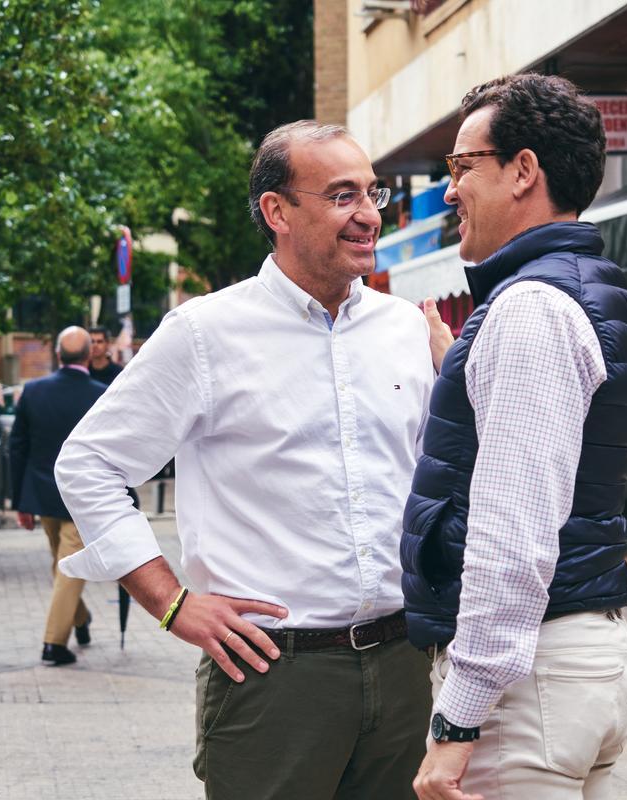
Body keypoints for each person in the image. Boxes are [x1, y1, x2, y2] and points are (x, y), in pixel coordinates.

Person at [55, 120, 442, 799]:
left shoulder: (405, 329)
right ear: (278, 211)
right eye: (343, 195)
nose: (370, 214)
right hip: (274, 677)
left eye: (372, 192)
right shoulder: (205, 333)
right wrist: (170, 603)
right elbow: (88, 464)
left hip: (403, 661)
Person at [404, 73, 627, 800]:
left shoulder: (531, 310)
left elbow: (513, 532)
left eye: (461, 167)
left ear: (523, 171)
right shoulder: (582, 288)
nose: (450, 191)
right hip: (574, 660)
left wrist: (457, 721)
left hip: (527, 679)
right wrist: (466, 368)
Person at [9, 326, 108, 665]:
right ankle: (79, 618)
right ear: (88, 356)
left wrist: (18, 501)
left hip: (43, 496)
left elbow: (17, 447)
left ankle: (54, 642)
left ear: (57, 356)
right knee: (62, 568)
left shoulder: (32, 391)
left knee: (65, 568)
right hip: (84, 495)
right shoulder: (102, 395)